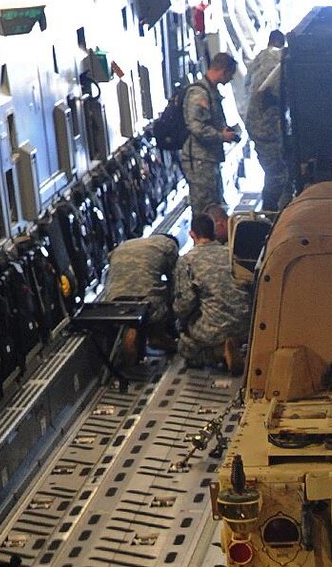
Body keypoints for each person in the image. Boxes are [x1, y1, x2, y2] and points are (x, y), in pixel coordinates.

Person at [172, 211, 252, 373]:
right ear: (214, 231)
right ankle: (235, 343)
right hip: (246, 325)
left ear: (191, 234)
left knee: (185, 345)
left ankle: (218, 352)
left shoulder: (187, 260)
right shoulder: (231, 253)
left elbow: (185, 303)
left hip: (213, 329)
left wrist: (180, 322)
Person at [99, 230, 179, 365]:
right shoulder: (169, 245)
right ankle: (158, 336)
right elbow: (177, 280)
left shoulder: (125, 244)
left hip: (114, 298)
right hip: (146, 301)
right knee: (167, 290)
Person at [181, 51, 240, 216]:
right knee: (203, 209)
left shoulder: (210, 91)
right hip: (199, 160)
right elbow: (196, 127)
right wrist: (221, 136)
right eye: (230, 74)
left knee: (213, 205)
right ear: (223, 71)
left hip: (207, 158)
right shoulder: (199, 93)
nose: (231, 79)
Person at [244, 30, 292, 213]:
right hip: (267, 128)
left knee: (274, 172)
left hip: (256, 125)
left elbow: (248, 88)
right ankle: (271, 212)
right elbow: (276, 92)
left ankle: (270, 210)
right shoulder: (276, 59)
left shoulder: (259, 58)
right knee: (278, 175)